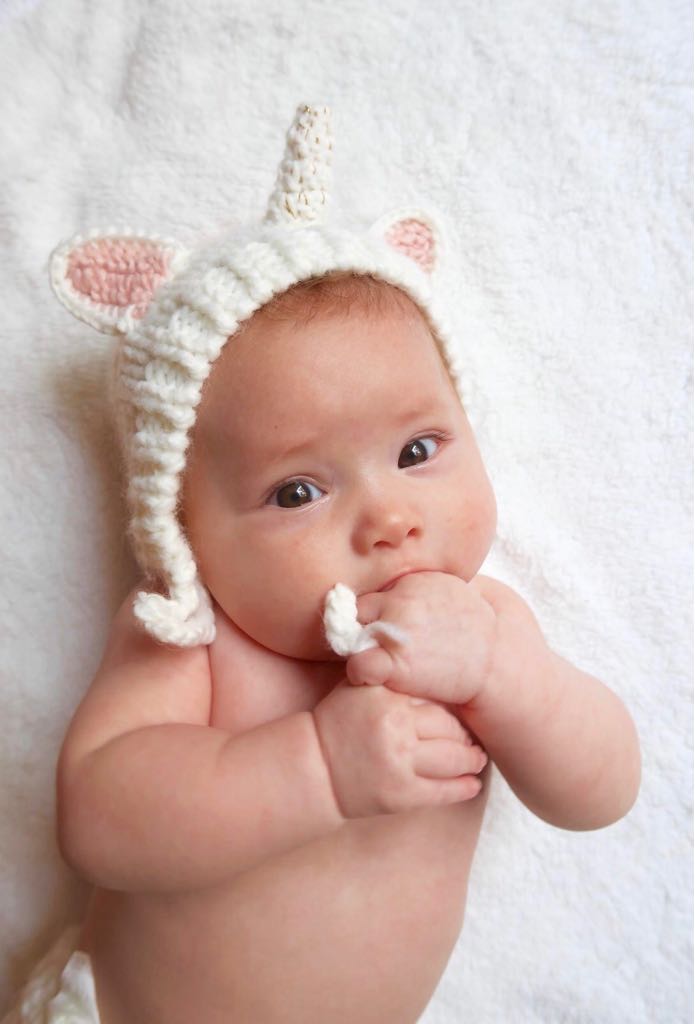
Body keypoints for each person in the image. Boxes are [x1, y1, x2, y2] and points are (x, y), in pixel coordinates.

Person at [6, 104, 640, 1024]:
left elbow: (602, 794)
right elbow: (99, 822)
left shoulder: (485, 632)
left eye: (418, 451)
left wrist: (512, 679)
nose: (388, 518)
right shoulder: (193, 638)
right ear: (180, 531)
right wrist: (314, 769)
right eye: (297, 492)